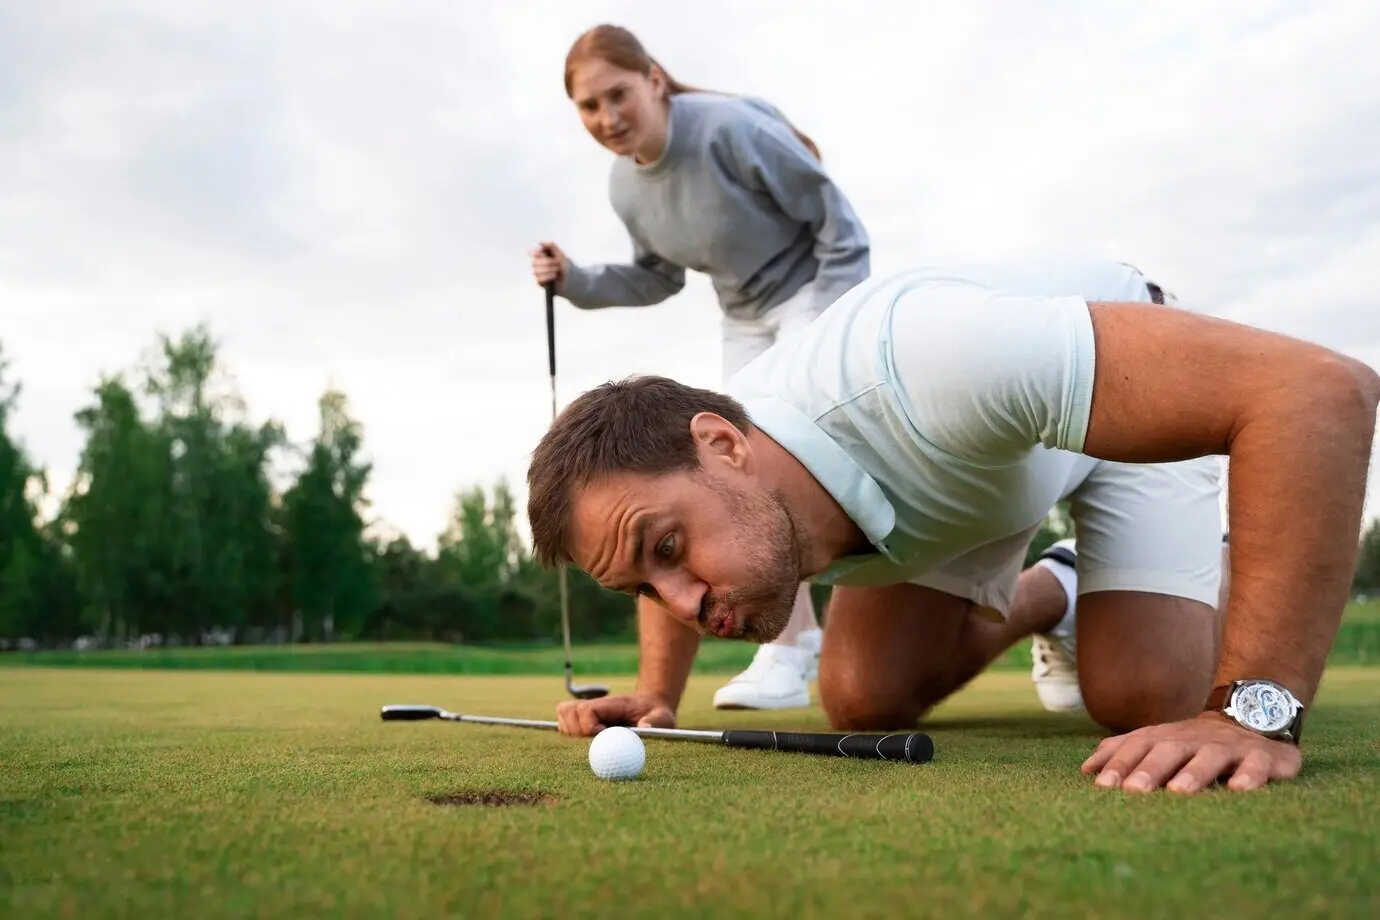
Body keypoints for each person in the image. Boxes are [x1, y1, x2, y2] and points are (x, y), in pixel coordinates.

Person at [523, 255, 1380, 795]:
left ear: (723, 445)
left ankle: (1165, 598)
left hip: (1128, 401)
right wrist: (659, 695)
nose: (676, 600)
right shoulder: (717, 482)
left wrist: (1252, 715)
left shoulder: (922, 362)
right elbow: (649, 543)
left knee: (1143, 697)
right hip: (975, 469)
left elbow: (1317, 393)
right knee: (865, 700)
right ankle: (1060, 591)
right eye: (642, 584)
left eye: (668, 551)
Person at [529, 23, 872, 711]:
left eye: (617, 95)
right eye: (589, 108)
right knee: (727, 473)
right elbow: (657, 280)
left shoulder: (726, 128)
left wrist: (832, 326)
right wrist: (574, 280)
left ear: (655, 78)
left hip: (813, 290)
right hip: (743, 316)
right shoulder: (625, 189)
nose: (608, 118)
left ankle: (790, 650)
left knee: (772, 457)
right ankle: (793, 647)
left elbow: (840, 225)